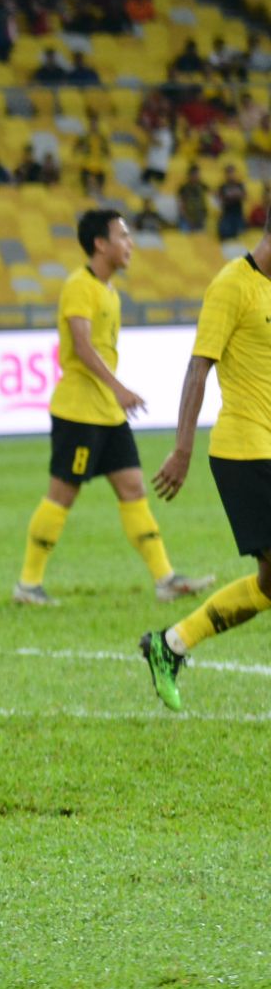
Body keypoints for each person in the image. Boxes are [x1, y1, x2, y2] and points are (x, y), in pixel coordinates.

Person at [15, 211, 213, 606]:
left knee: (133, 487)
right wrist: (119, 388)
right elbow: (82, 346)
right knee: (62, 494)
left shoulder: (110, 292)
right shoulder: (79, 286)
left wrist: (115, 396)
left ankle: (165, 579)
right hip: (78, 412)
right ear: (100, 243)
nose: (131, 244)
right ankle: (28, 584)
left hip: (108, 413)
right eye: (123, 236)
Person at [142, 224, 271, 709]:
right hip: (244, 451)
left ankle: (170, 644)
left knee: (269, 585)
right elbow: (199, 366)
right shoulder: (231, 284)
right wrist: (182, 449)